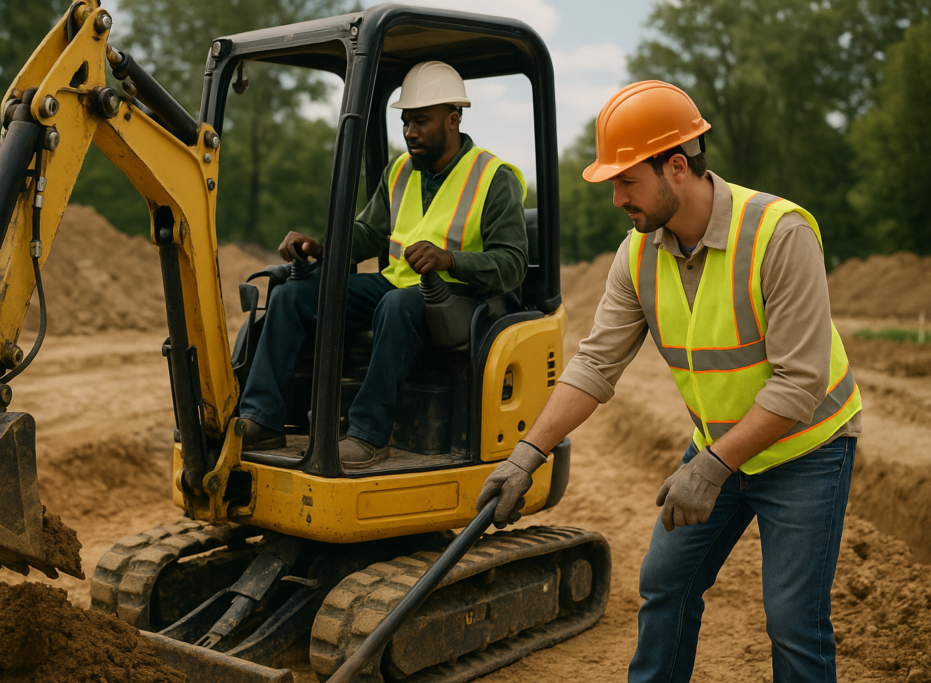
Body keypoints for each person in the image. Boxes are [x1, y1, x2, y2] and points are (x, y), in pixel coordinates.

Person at [477, 80, 862, 682]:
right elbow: (594, 364)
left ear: (676, 167)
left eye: (626, 181)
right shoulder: (637, 255)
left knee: (792, 621)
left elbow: (798, 384)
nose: (616, 200)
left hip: (806, 449)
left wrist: (711, 468)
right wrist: (527, 455)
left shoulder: (779, 235)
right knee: (665, 585)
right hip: (720, 442)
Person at [239, 61, 528, 469]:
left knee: (396, 306)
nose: (410, 132)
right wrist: (322, 246)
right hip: (397, 286)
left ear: (453, 119)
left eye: (421, 122)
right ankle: (262, 417)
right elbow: (368, 234)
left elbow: (512, 264)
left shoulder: (493, 178)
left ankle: (369, 435)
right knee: (292, 295)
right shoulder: (400, 171)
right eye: (406, 122)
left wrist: (450, 259)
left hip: (462, 300)